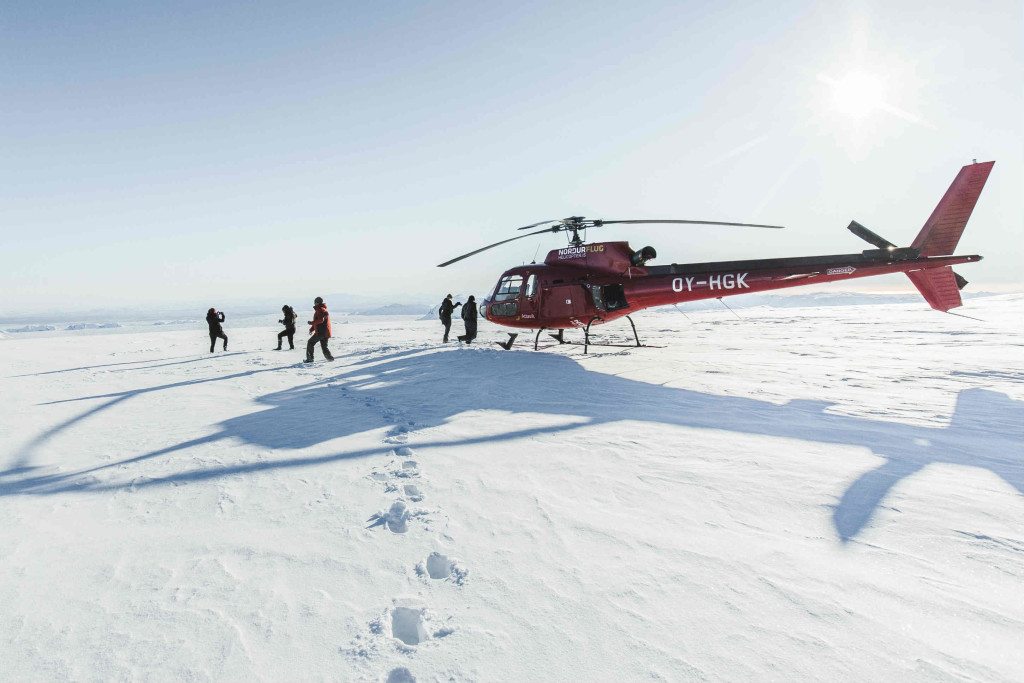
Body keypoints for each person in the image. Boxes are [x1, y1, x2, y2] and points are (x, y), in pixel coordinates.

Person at [305, 296, 334, 362]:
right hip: (325, 332)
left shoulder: (320, 309)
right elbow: (318, 321)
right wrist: (311, 329)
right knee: (324, 347)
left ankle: (310, 359)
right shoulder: (322, 309)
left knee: (310, 342)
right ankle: (330, 359)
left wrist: (311, 323)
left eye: (315, 302)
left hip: (321, 332)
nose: (314, 303)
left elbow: (320, 320)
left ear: (317, 303)